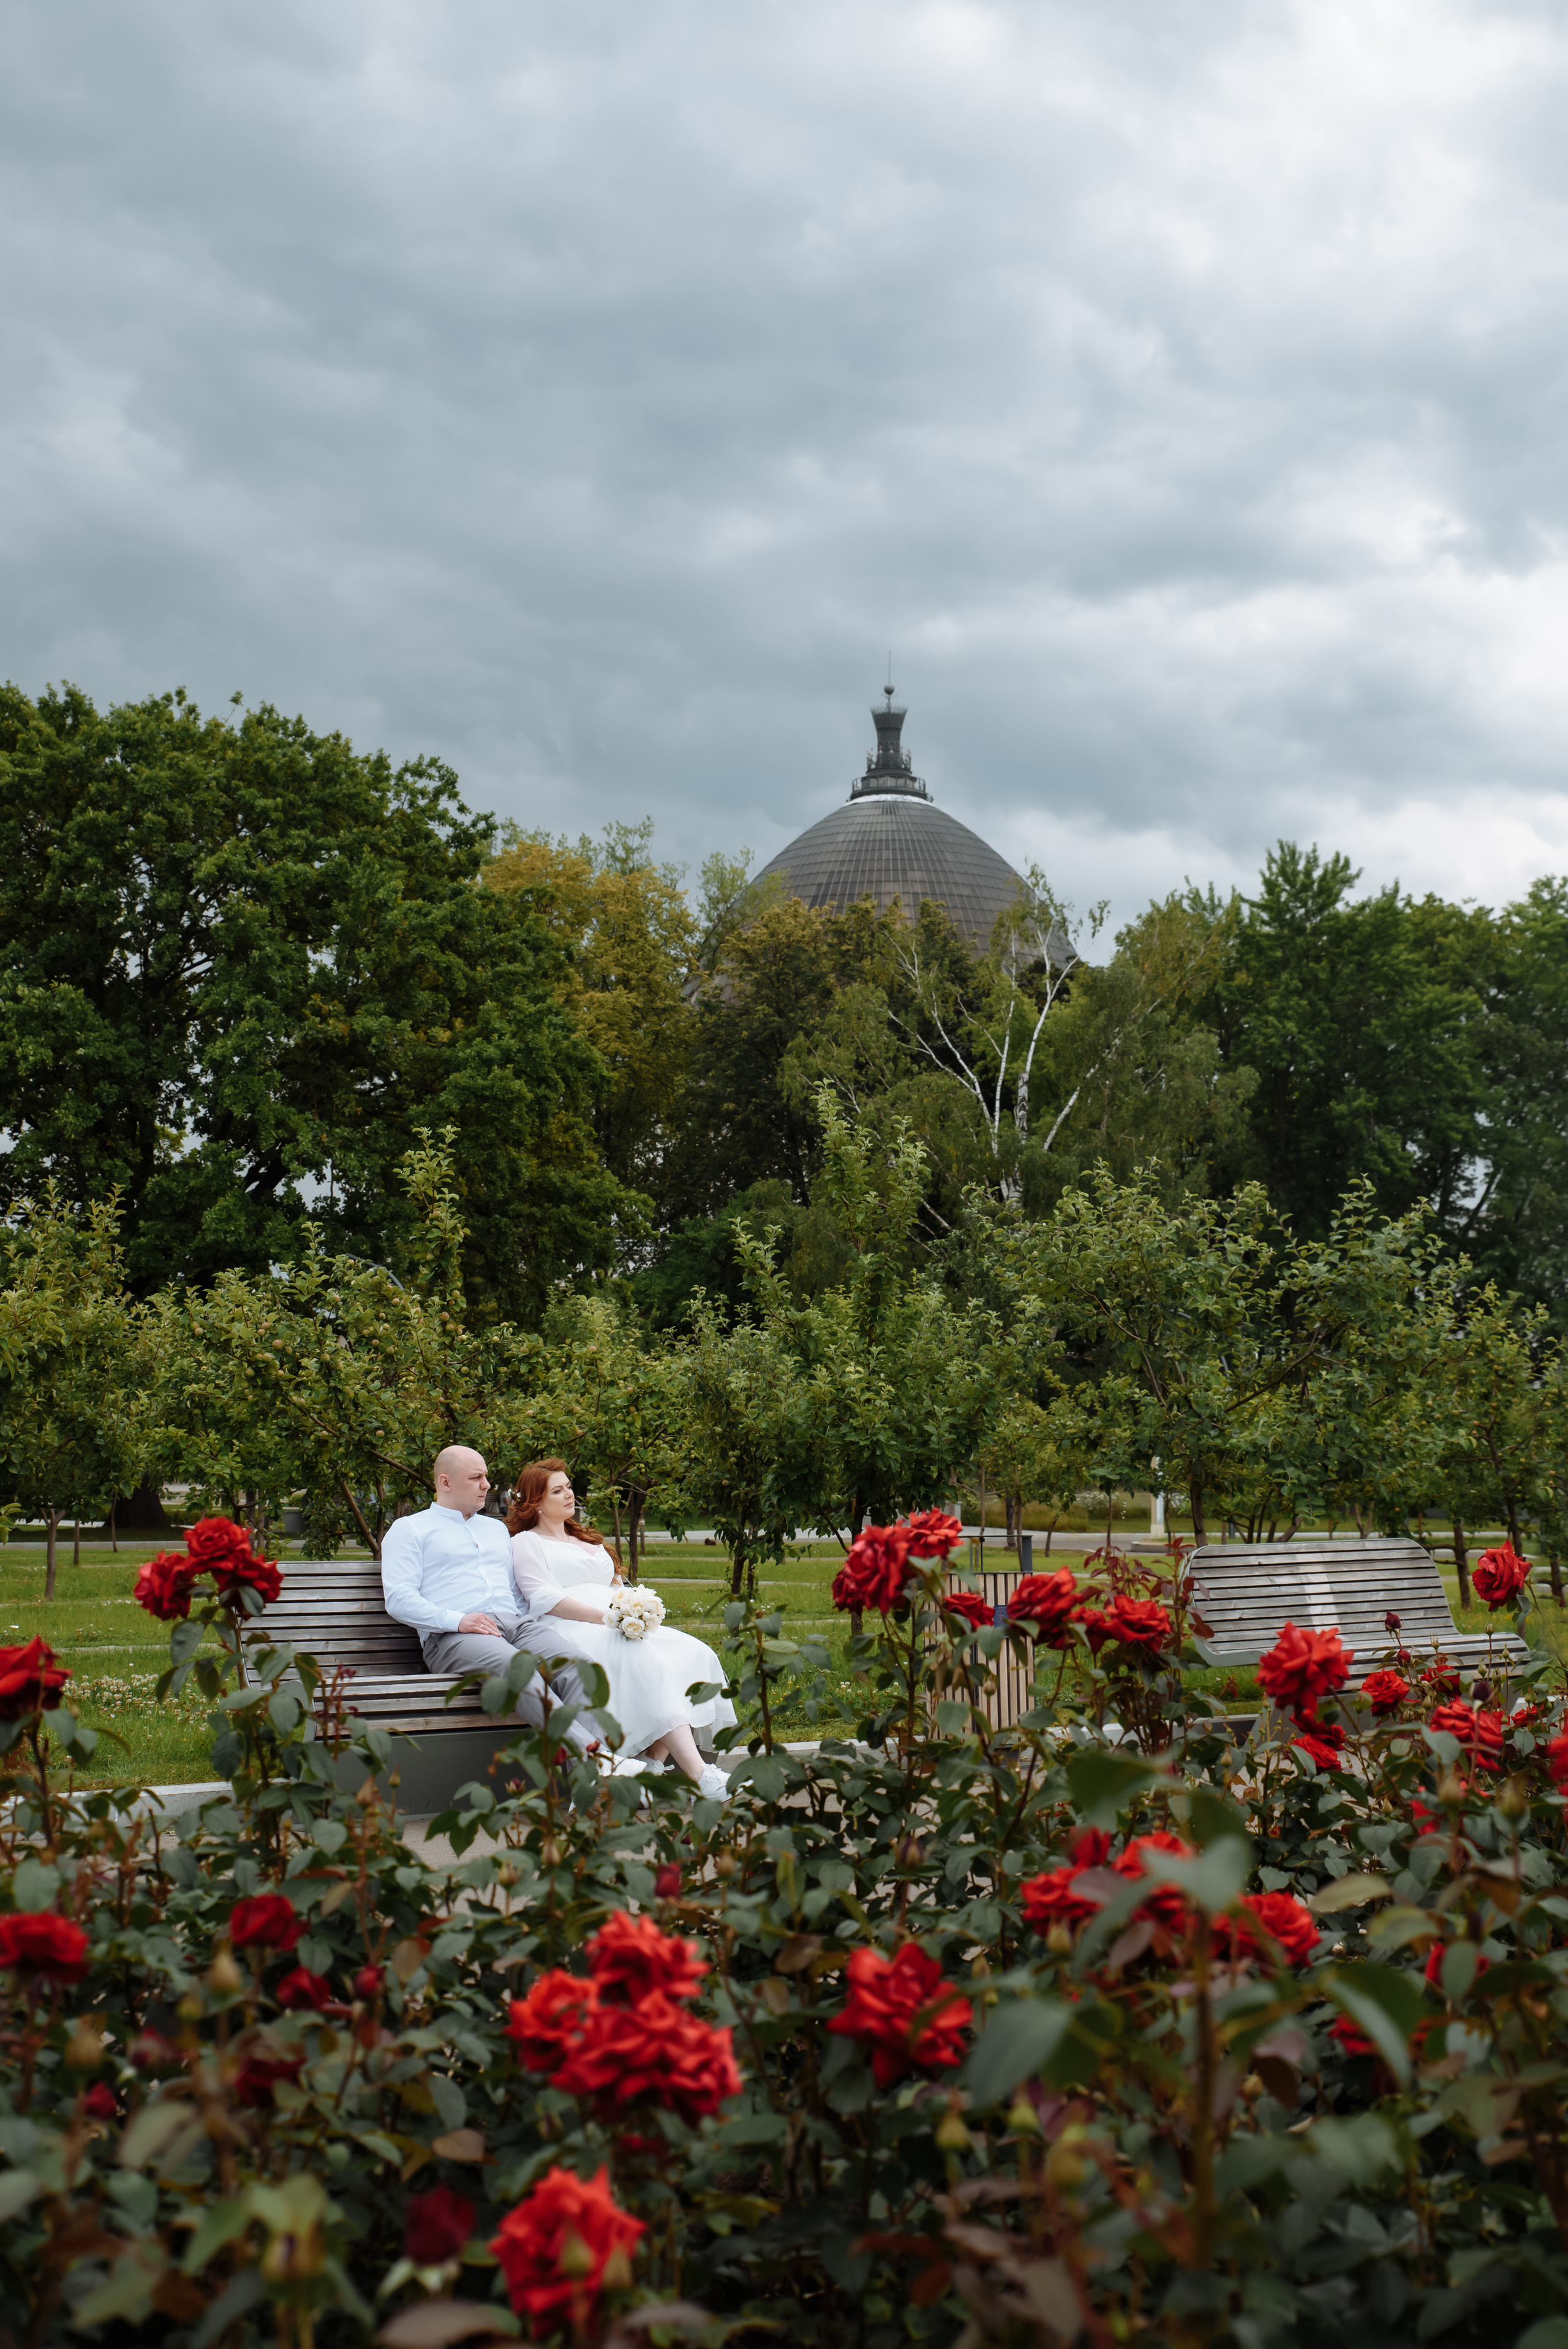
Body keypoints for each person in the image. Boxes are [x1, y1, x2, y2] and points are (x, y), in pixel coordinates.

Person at [507, 1459, 734, 1801]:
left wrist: (638, 1609)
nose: (569, 1494)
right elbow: (544, 1598)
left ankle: (652, 1767)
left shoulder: (584, 1537)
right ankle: (700, 1775)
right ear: (536, 1503)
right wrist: (607, 1618)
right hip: (569, 1626)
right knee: (641, 1655)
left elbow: (616, 1585)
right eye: (558, 1491)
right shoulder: (526, 1543)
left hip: (614, 1620)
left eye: (569, 1486)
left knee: (693, 1653)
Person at [381, 1444, 597, 1758]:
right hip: (454, 1636)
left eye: (486, 1476)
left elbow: (514, 1592)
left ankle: (588, 1781)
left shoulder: (496, 1529)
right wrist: (458, 1620)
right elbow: (399, 1599)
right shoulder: (411, 1529)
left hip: (516, 1626)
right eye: (476, 1478)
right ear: (445, 1483)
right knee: (518, 1668)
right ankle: (596, 1759)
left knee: (582, 1668)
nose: (487, 1485)